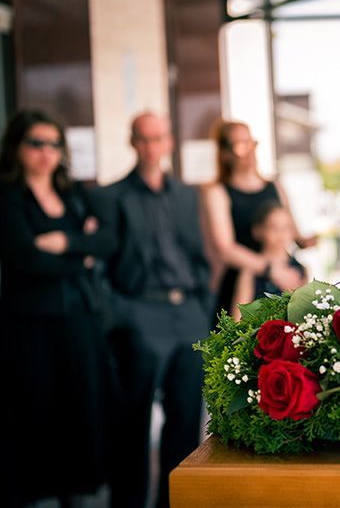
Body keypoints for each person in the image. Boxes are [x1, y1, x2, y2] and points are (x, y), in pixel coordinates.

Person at [0, 110, 116, 507]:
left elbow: (106, 242)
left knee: (82, 407)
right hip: (32, 322)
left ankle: (79, 493)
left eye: (53, 144)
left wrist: (65, 244)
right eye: (36, 143)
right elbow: (25, 259)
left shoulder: (72, 194)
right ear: (17, 147)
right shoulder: (8, 197)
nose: (46, 152)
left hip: (81, 316)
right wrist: (79, 252)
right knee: (38, 409)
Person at [99, 112, 211, 508]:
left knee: (184, 426)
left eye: (158, 137)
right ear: (133, 143)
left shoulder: (185, 194)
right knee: (132, 424)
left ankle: (173, 502)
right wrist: (120, 314)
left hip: (187, 315)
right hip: (139, 312)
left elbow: (197, 254)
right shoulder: (111, 196)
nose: (151, 146)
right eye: (144, 139)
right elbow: (102, 265)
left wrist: (203, 309)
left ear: (169, 142)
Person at [201, 120, 311, 317]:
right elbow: (225, 249)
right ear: (225, 153)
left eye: (251, 143)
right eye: (240, 145)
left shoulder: (274, 186)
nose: (250, 151)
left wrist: (306, 241)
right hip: (244, 280)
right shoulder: (218, 191)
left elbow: (293, 232)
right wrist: (272, 270)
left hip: (283, 273)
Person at [230, 202, 307, 319]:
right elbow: (237, 316)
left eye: (286, 228)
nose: (281, 234)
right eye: (273, 228)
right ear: (258, 231)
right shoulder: (251, 270)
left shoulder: (301, 269)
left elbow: (304, 311)